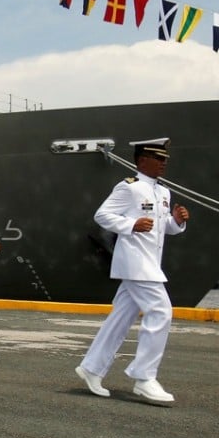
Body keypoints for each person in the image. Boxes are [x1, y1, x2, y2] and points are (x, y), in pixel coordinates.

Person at [76, 138, 189, 404]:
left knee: (121, 318)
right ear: (141, 161)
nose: (163, 163)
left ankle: (91, 368)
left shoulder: (163, 193)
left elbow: (163, 229)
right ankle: (144, 377)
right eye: (158, 158)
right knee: (161, 311)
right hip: (136, 262)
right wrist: (130, 224)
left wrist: (176, 222)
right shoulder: (129, 188)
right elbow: (102, 216)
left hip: (149, 262)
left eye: (165, 159)